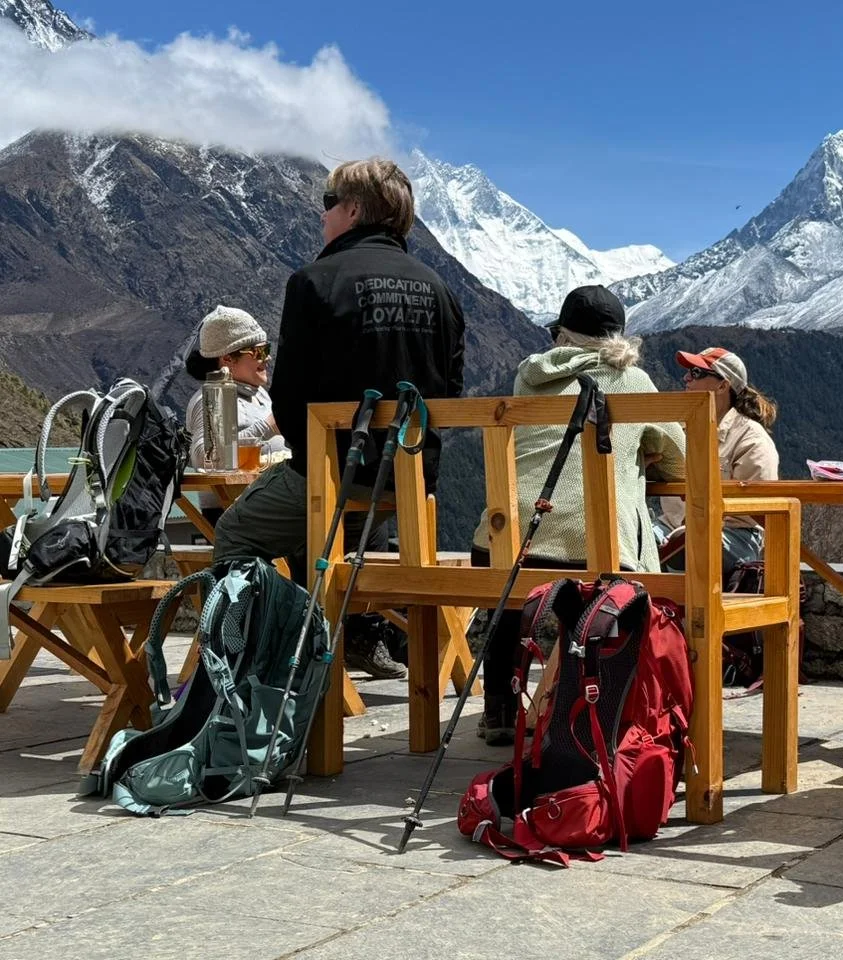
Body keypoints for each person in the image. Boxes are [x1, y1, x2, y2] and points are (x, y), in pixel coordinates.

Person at [214, 157, 466, 679]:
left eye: (328, 204)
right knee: (317, 536)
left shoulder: (314, 281)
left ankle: (249, 674)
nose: (322, 215)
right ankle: (332, 652)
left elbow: (290, 396)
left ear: (352, 210)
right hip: (408, 487)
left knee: (236, 533)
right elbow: (450, 394)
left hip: (334, 477)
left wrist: (311, 460)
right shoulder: (441, 292)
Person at [471, 285, 685, 744]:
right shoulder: (634, 381)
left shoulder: (529, 377)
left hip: (506, 540)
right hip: (598, 550)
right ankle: (593, 708)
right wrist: (640, 452)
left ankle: (500, 708)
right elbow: (683, 461)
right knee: (602, 580)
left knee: (507, 587)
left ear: (561, 336)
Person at [657, 347, 780, 579]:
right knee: (630, 540)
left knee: (689, 543)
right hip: (671, 528)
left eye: (696, 372)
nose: (686, 378)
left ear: (723, 385)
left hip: (734, 534)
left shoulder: (751, 438)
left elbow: (758, 507)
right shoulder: (680, 430)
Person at [183, 305, 287, 527]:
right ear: (228, 359)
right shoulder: (214, 397)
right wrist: (267, 427)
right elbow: (206, 457)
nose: (267, 358)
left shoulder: (259, 393)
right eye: (258, 352)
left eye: (266, 349)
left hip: (264, 498)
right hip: (233, 508)